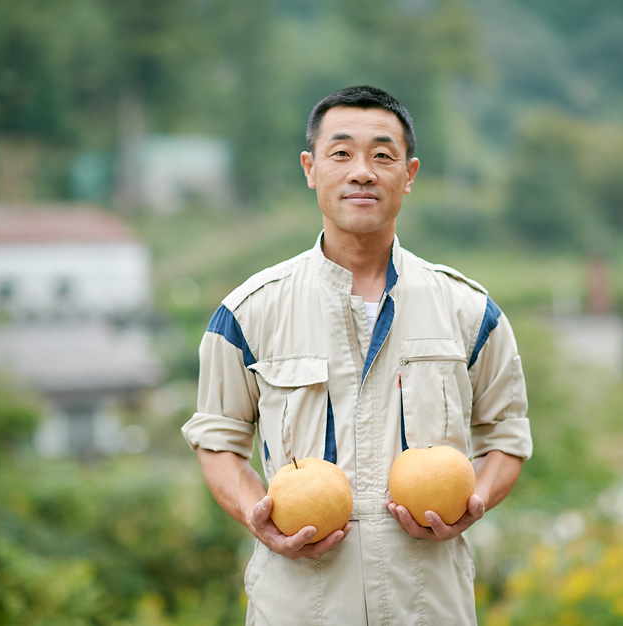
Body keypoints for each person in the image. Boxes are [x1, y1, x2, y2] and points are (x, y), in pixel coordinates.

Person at [182, 85, 532, 625]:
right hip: (299, 608)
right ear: (310, 168)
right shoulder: (249, 313)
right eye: (341, 153)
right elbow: (218, 441)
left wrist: (473, 503)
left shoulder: (469, 311)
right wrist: (261, 521)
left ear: (409, 174)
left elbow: (507, 436)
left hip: (429, 606)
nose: (362, 172)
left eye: (383, 156)